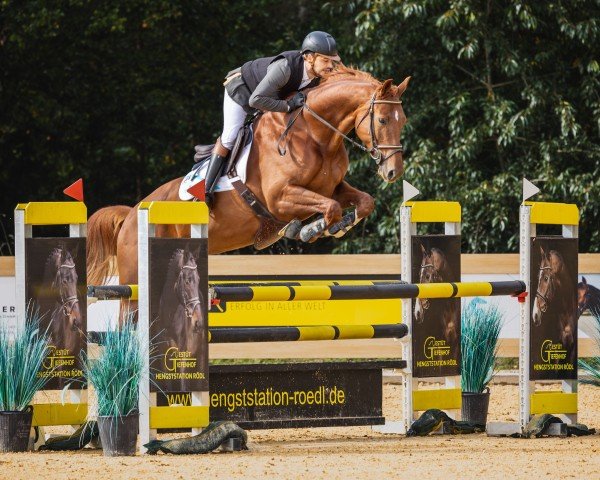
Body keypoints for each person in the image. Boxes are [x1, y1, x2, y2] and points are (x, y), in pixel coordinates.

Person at [204, 31, 341, 208]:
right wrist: (288, 106)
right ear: (309, 57)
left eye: (332, 61)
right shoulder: (286, 67)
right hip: (243, 89)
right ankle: (205, 190)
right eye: (325, 60)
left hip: (271, 97)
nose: (330, 66)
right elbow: (256, 100)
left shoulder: (318, 76)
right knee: (230, 135)